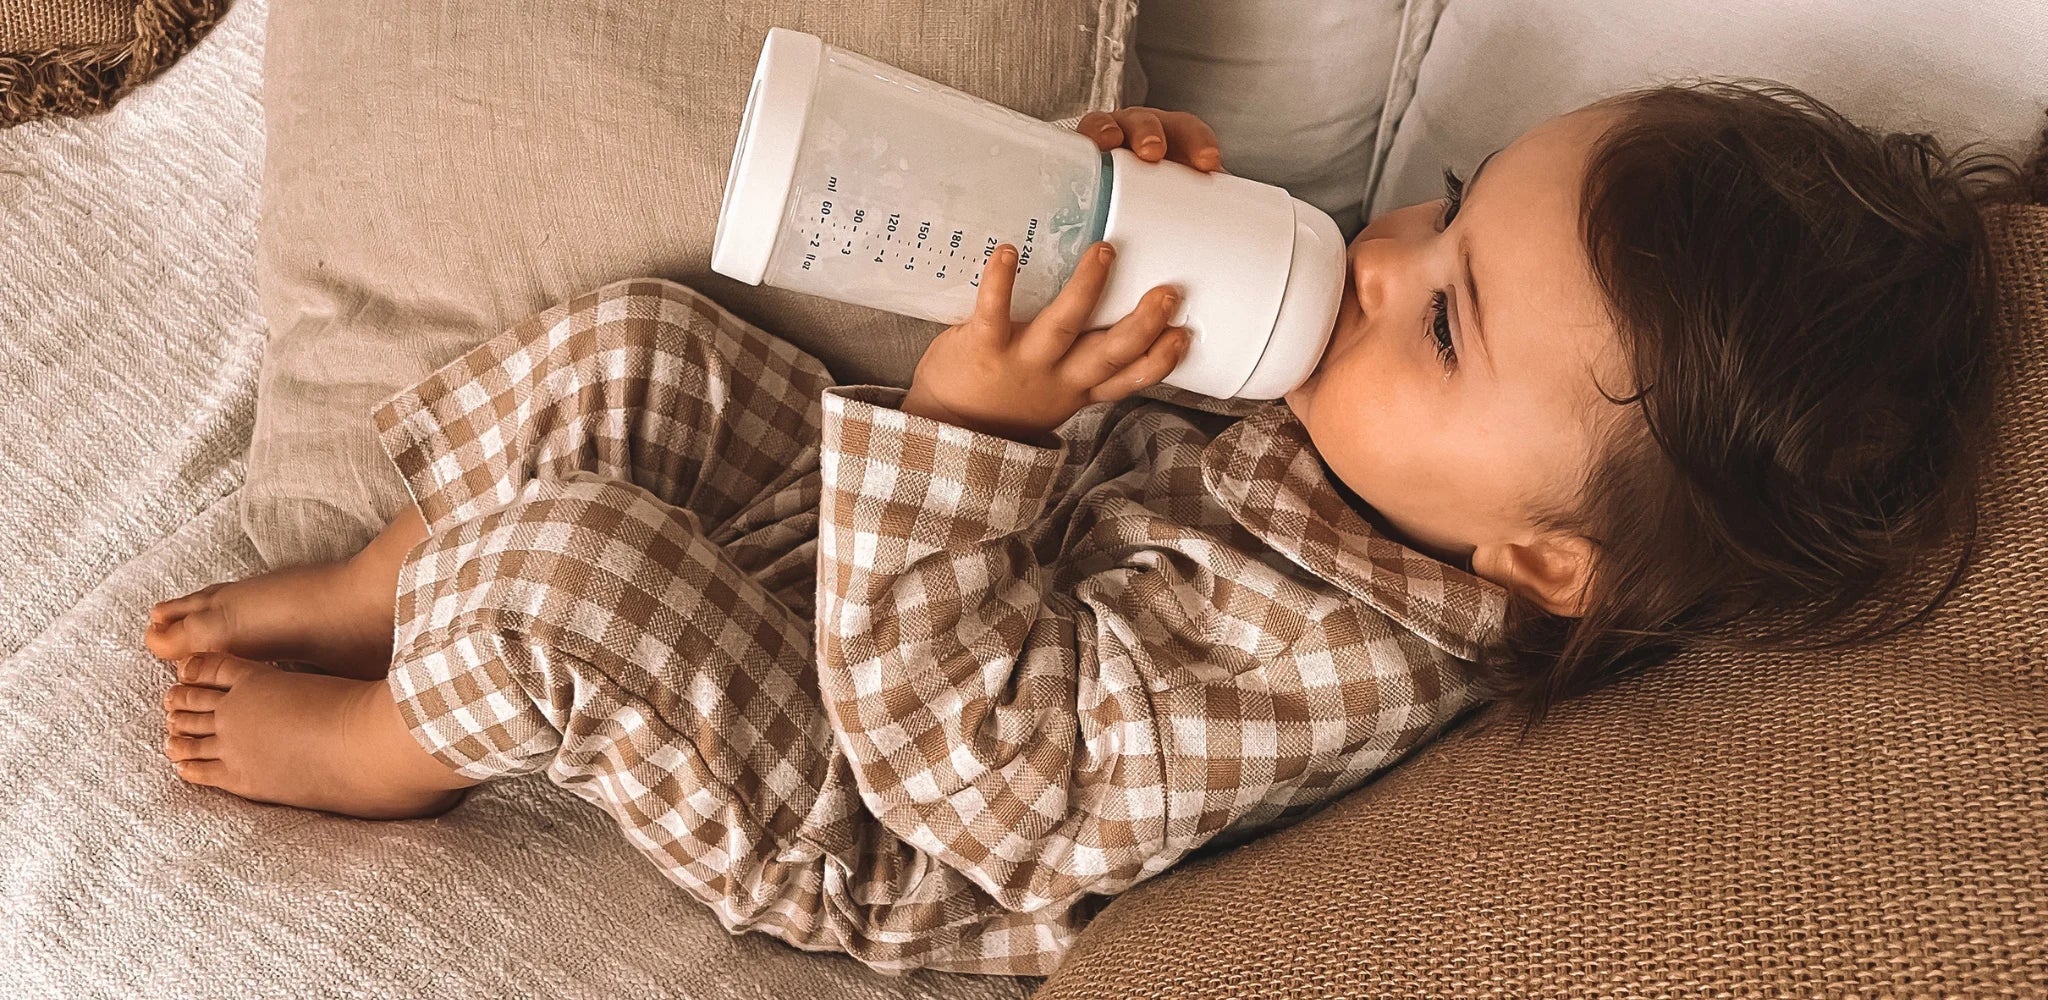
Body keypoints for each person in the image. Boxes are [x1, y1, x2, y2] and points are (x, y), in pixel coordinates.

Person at [140, 80, 2019, 976]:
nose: (1374, 263)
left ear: (1536, 563)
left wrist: (966, 436)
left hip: (877, 804)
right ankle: (393, 572)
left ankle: (398, 739)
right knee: (645, 348)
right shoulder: (1383, 452)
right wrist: (1114, 223)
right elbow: (1121, 432)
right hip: (896, 587)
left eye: (1444, 313)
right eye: (1443, 211)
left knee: (576, 575)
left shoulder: (1329, 663)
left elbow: (990, 778)